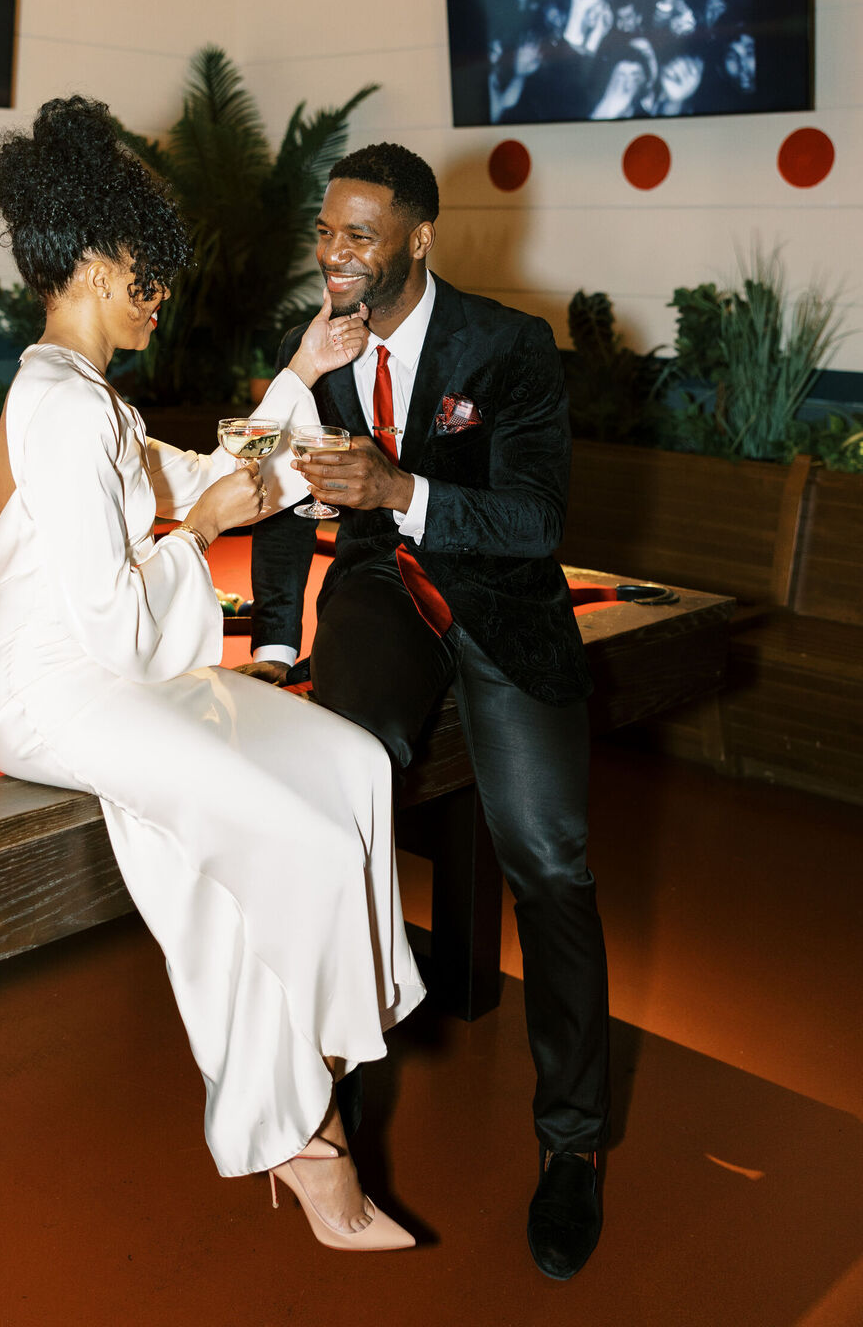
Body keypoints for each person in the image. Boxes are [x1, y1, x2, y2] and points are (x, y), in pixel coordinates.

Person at [0, 97, 425, 1253]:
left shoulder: (91, 402)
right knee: (292, 841)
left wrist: (303, 370)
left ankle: (308, 1043)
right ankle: (299, 1131)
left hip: (123, 678)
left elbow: (217, 465)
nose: (158, 299)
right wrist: (205, 527)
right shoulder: (55, 404)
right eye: (148, 278)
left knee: (354, 762)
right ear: (100, 260)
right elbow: (118, 618)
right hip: (57, 695)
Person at [245, 141, 610, 1281]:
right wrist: (269, 643)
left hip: (503, 606)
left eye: (359, 235)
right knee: (344, 791)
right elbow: (271, 491)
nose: (335, 254)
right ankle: (314, 1115)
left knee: (548, 858)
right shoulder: (320, 349)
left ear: (418, 238)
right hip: (375, 595)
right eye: (326, 231)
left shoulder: (507, 346)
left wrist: (404, 489)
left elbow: (536, 522)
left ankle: (576, 1148)